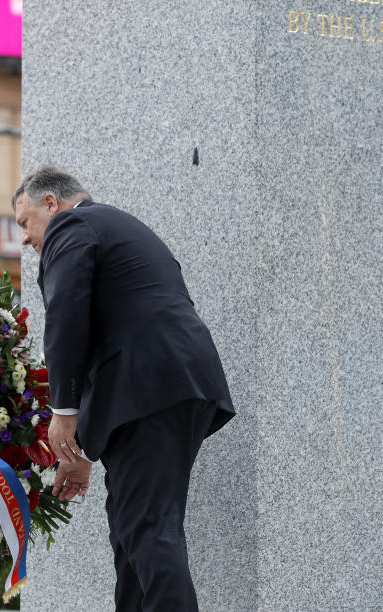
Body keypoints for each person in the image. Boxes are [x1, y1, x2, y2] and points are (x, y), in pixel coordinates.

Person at [12, 166, 235, 612]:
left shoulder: (72, 225)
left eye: (24, 221)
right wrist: (82, 452)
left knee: (146, 527)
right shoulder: (114, 228)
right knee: (133, 529)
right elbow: (116, 332)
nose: (24, 238)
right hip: (169, 386)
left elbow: (68, 317)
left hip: (152, 387)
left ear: (51, 204)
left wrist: (64, 409)